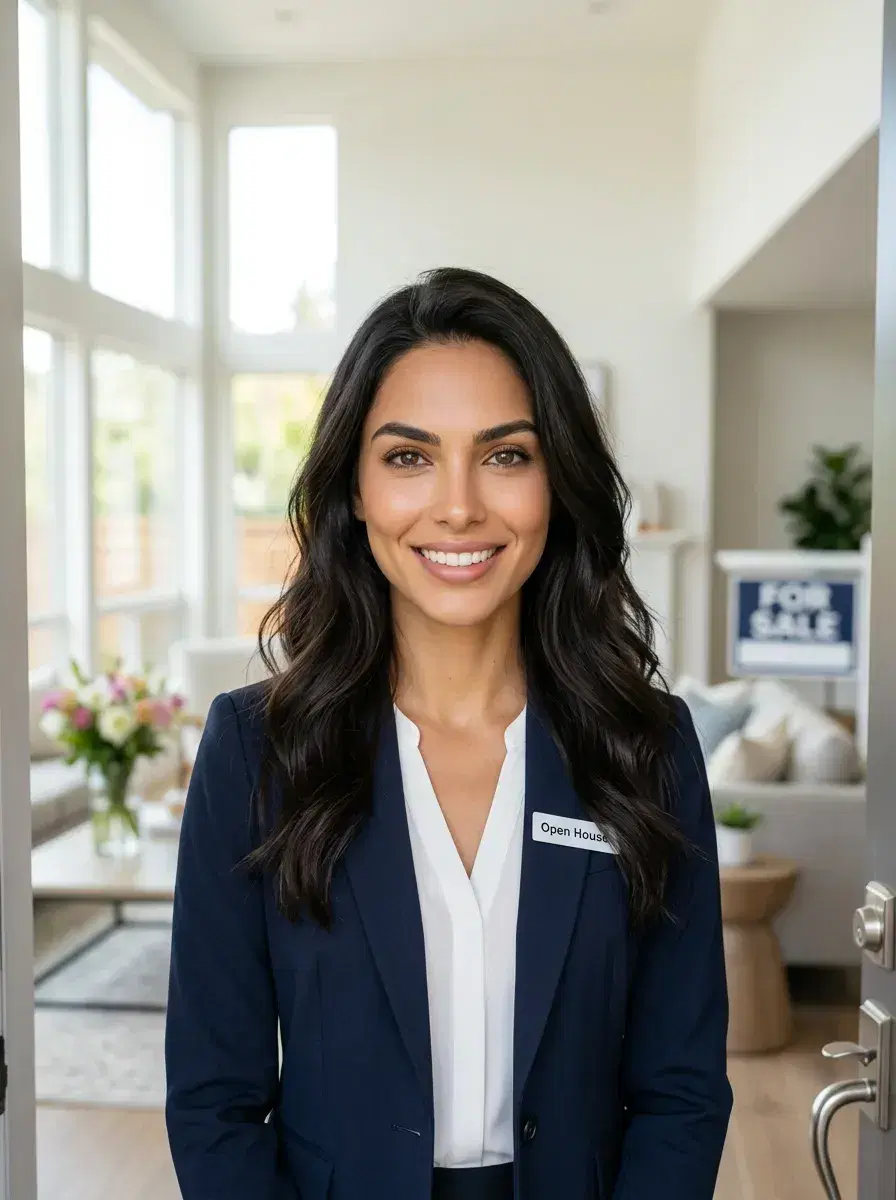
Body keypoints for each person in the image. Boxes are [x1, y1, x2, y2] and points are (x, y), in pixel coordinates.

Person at [164, 267, 733, 1200]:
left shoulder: (646, 747)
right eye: (408, 456)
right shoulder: (255, 752)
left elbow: (681, 1093)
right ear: (352, 488)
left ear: (560, 483)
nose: (459, 505)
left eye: (506, 455)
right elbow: (213, 1101)